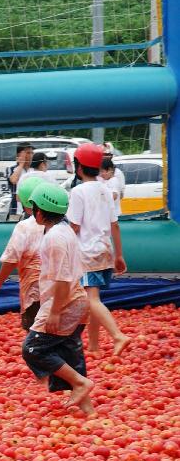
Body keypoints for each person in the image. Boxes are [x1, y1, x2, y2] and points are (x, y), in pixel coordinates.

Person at [21, 183, 94, 416]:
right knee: (68, 353)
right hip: (78, 300)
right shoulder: (65, 231)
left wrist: (54, 311)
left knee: (33, 349)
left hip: (64, 302)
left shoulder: (54, 238)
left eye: (33, 208)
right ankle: (89, 412)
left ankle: (81, 384)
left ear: (40, 211)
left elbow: (62, 280)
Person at [66, 143, 129, 356]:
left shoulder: (77, 192)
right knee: (94, 299)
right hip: (104, 251)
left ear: (79, 167)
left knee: (90, 300)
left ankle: (117, 335)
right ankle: (93, 347)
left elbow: (74, 226)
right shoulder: (106, 190)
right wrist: (119, 255)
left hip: (87, 254)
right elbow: (115, 225)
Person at [0, 176, 46, 331]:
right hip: (60, 289)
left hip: (35, 290)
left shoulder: (24, 227)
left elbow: (11, 259)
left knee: (35, 333)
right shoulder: (61, 225)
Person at [6, 142, 34, 217]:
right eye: (28, 153)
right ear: (19, 155)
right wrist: (21, 164)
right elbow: (13, 180)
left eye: (32, 153)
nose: (31, 156)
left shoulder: (34, 169)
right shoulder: (12, 169)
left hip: (33, 210)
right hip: (16, 210)